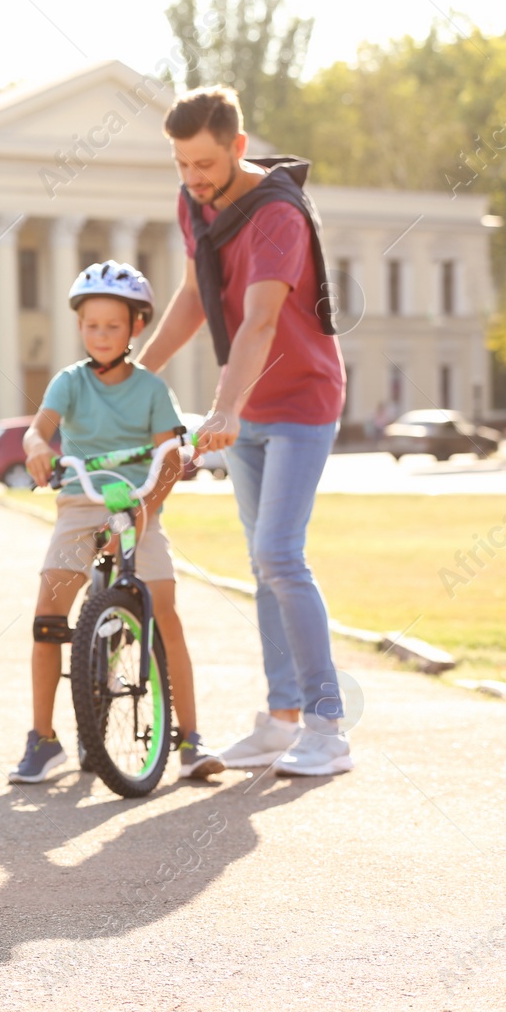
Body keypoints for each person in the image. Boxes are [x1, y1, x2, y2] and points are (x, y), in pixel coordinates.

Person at [137, 86, 352, 777]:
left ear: (237, 146)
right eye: (181, 165)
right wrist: (138, 375)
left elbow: (260, 322)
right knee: (264, 565)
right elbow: (197, 295)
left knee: (281, 555)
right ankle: (279, 719)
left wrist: (224, 408)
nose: (193, 178)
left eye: (204, 163)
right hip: (249, 408)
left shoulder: (277, 216)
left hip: (301, 399)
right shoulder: (195, 204)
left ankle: (328, 728)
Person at [11, 260, 224, 784]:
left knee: (163, 606)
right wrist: (38, 448)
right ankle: (42, 739)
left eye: (113, 326)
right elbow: (38, 432)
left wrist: (147, 506)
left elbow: (169, 458)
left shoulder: (152, 390)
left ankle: (191, 741)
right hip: (82, 503)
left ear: (135, 328)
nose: (101, 335)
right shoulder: (70, 383)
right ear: (79, 327)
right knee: (48, 611)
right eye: (91, 326)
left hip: (139, 504)